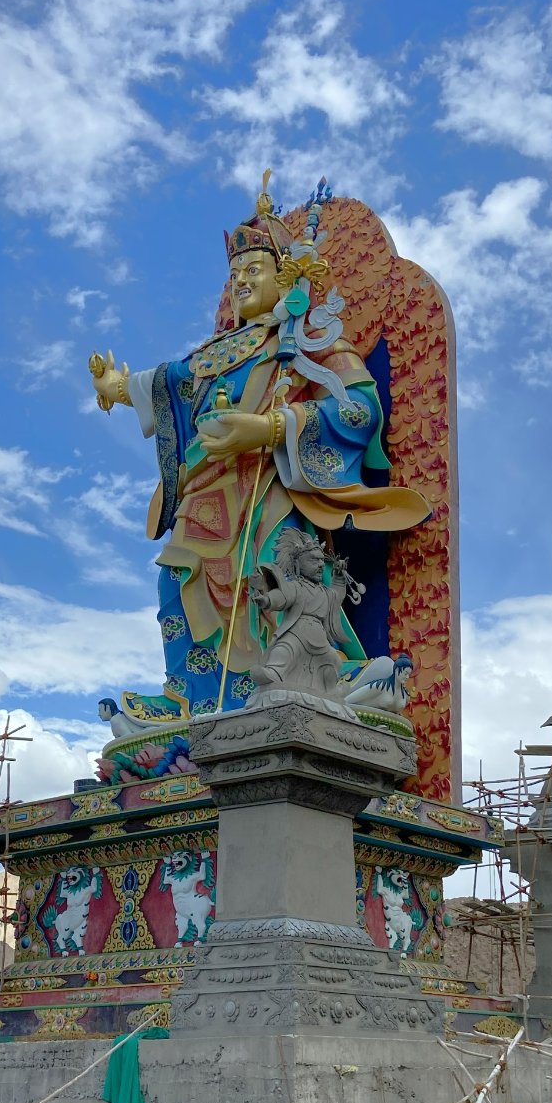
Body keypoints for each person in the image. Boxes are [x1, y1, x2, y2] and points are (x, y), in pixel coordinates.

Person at [89, 176, 430, 716]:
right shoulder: (213, 353)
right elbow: (169, 382)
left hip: (270, 495)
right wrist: (116, 388)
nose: (241, 282)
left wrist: (271, 428)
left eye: (255, 269)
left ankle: (321, 678)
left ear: (286, 276)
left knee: (271, 586)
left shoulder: (306, 342)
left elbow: (359, 407)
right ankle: (191, 698)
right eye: (235, 274)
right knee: (176, 588)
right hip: (204, 496)